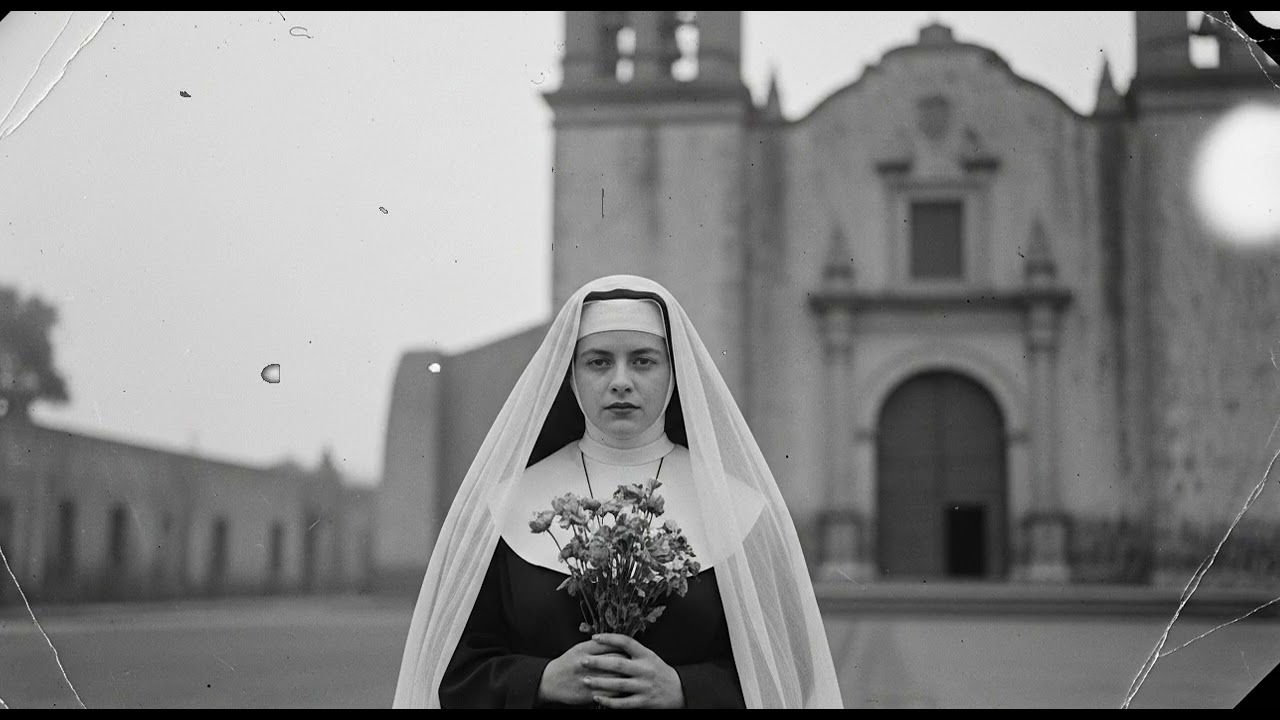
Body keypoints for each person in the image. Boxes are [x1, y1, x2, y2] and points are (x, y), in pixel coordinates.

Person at [392, 275, 842, 709]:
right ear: (571, 377)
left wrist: (685, 689)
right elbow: (450, 671)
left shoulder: (738, 508)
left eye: (643, 361)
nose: (621, 381)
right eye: (599, 362)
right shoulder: (506, 506)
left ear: (675, 374)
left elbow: (788, 674)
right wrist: (541, 680)